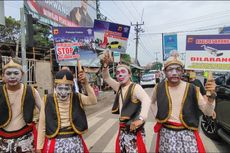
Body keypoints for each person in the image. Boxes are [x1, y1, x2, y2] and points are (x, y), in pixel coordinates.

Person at [151, 52, 216, 152]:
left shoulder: (193, 88)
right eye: (170, 69)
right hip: (166, 134)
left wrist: (211, 98)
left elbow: (208, 112)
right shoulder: (158, 88)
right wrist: (158, 115)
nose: (174, 73)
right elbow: (151, 102)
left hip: (187, 134)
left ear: (183, 71)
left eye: (178, 69)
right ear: (164, 71)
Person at [101, 51, 151, 153]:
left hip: (134, 129)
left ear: (129, 74)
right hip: (123, 130)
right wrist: (105, 65)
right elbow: (106, 77)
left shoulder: (136, 87)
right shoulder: (119, 86)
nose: (120, 75)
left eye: (123, 72)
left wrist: (141, 119)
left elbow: (147, 100)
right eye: (118, 73)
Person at [37, 69, 97, 153]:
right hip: (55, 142)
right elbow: (42, 124)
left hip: (74, 142)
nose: (63, 92)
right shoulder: (47, 99)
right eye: (60, 88)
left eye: (66, 88)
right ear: (55, 86)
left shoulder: (77, 97)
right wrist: (39, 146)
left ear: (71, 87)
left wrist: (86, 84)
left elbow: (93, 101)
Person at [0, 58, 42, 152]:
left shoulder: (31, 91)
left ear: (22, 74)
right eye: (8, 73)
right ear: (3, 75)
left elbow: (44, 112)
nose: (12, 76)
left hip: (26, 139)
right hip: (2, 139)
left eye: (16, 73)